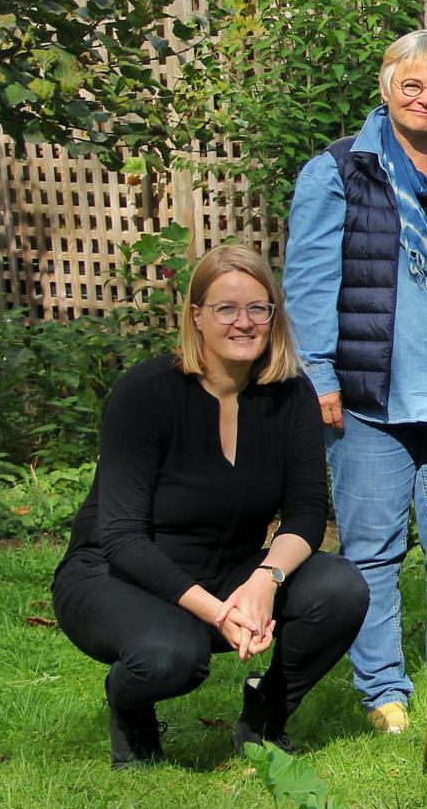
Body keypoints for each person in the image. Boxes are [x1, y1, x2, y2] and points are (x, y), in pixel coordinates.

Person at [284, 29, 427, 735]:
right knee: (371, 552)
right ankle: (383, 691)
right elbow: (309, 285)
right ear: (386, 87)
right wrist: (317, 376)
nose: (425, 98)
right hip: (367, 401)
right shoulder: (336, 172)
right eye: (411, 84)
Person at [51, 245, 369, 765]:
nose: (244, 323)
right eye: (226, 308)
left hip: (228, 569)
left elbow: (307, 513)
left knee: (340, 587)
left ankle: (265, 718)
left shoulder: (290, 396)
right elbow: (123, 537)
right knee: (173, 657)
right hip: (116, 574)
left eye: (258, 308)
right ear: (196, 316)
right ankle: (130, 710)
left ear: (273, 316)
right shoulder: (146, 393)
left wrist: (265, 581)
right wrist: (218, 613)